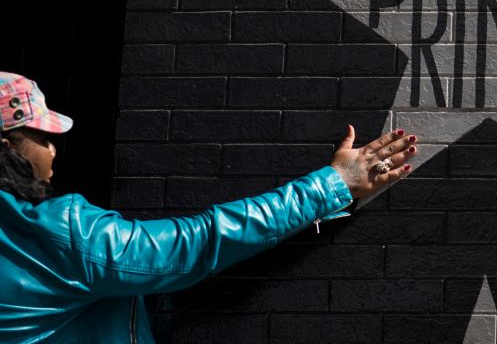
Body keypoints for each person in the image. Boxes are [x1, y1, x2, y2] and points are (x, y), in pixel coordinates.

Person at [0, 71, 419, 343]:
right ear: (6, 148)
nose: (53, 150)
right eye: (40, 136)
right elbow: (196, 243)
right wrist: (332, 185)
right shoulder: (55, 235)